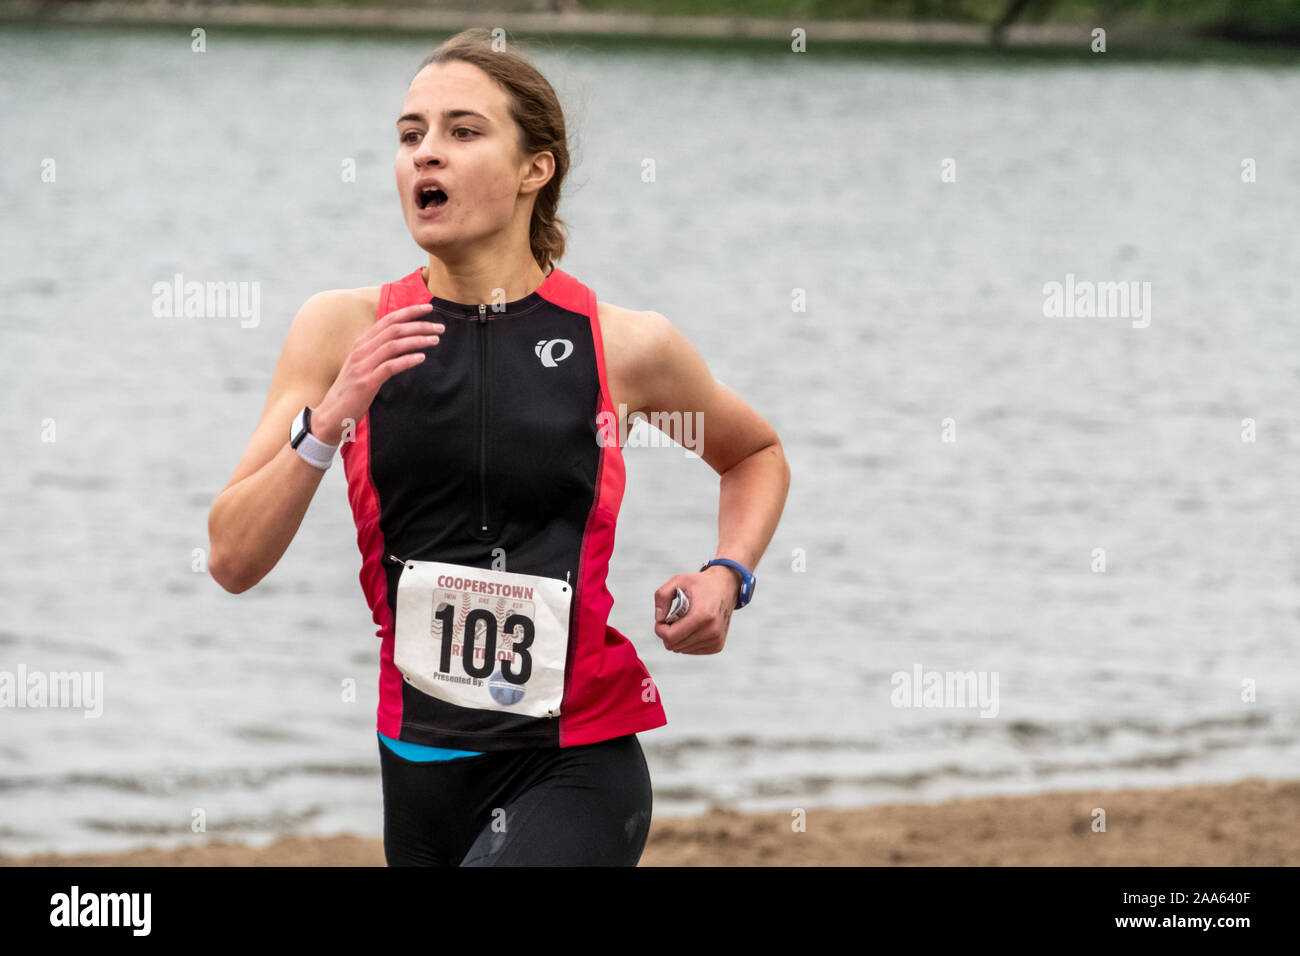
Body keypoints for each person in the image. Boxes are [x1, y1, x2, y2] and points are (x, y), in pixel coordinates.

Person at [207, 27, 790, 866]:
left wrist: (727, 574)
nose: (426, 156)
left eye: (462, 132)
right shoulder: (342, 330)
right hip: (415, 769)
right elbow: (230, 558)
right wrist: (330, 417)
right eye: (411, 136)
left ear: (535, 168)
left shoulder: (620, 346)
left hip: (575, 760)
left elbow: (753, 454)